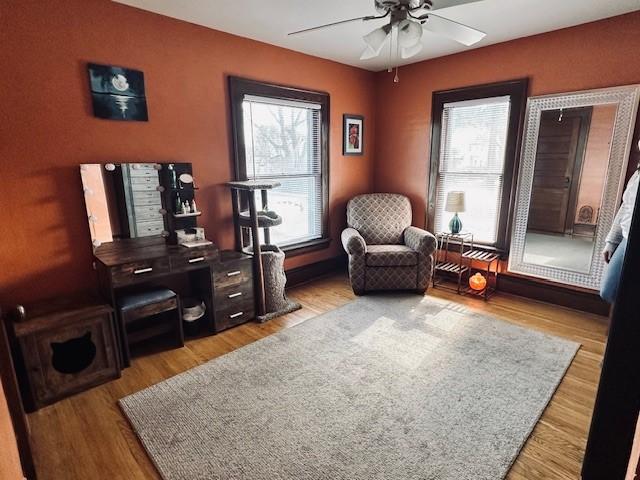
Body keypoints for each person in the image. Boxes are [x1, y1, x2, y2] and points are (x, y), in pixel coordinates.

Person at [600, 140, 640, 303]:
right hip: (627, 238)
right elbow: (626, 206)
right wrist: (611, 241)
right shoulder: (637, 174)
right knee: (608, 290)